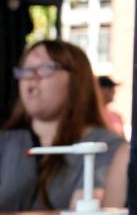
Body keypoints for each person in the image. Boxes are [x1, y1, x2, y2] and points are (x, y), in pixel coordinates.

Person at [0, 40, 125, 211]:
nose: (32, 76)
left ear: (77, 79)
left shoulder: (104, 146)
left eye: (46, 68)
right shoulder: (7, 142)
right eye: (26, 69)